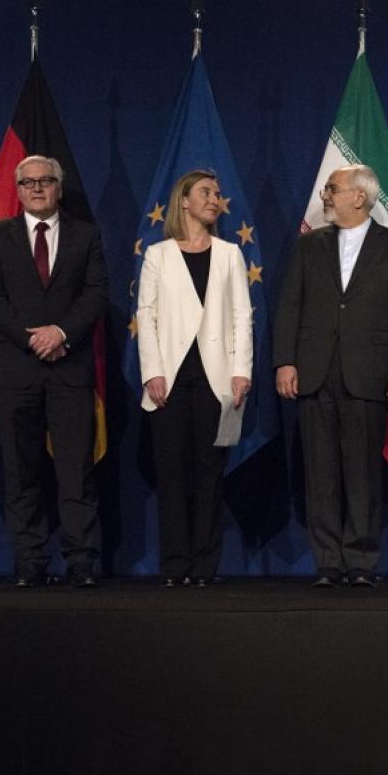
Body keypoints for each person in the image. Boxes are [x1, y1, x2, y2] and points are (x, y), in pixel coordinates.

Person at [273, 164, 388, 588]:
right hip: (315, 372)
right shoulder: (309, 245)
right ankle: (327, 562)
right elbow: (289, 306)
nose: (324, 195)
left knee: (363, 474)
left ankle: (360, 561)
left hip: (369, 373)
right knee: (319, 473)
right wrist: (285, 361)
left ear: (359, 197)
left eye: (332, 188)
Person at [0, 155, 108, 588]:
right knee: (21, 471)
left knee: (76, 470)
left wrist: (61, 333)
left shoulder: (85, 235)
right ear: (17, 191)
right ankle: (29, 560)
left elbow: (96, 294)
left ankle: (81, 561)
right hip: (16, 370)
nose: (36, 188)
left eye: (45, 180)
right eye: (28, 182)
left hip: (69, 368)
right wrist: (32, 337)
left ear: (59, 187)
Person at [136, 170, 253, 587]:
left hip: (215, 379)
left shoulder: (229, 254)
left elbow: (242, 315)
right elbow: (146, 315)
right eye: (206, 192)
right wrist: (152, 371)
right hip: (168, 380)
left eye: (217, 194)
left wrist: (241, 371)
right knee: (171, 474)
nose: (214, 199)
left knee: (209, 474)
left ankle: (204, 566)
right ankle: (174, 565)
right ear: (183, 201)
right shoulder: (158, 254)